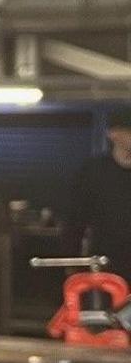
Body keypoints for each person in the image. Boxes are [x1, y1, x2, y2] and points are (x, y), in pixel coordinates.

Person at [64, 108, 131, 265]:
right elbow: (75, 219)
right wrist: (72, 262)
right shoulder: (94, 172)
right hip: (105, 267)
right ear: (113, 134)